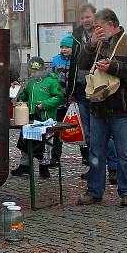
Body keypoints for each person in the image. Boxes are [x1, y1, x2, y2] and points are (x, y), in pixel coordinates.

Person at [76, 8, 127, 208]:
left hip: (122, 108)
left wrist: (113, 67)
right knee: (96, 152)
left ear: (112, 25)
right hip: (99, 107)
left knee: (125, 152)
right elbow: (81, 64)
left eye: (99, 27)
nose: (96, 30)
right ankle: (94, 191)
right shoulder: (98, 44)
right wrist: (90, 45)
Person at [70, 4, 118, 183]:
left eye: (88, 17)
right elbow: (74, 65)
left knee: (106, 131)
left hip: (99, 87)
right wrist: (72, 90)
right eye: (82, 18)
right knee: (89, 133)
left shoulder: (104, 33)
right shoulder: (76, 36)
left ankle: (113, 167)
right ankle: (95, 166)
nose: (85, 21)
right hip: (82, 88)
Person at [11, 57, 64, 178]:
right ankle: (25, 165)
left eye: (37, 71)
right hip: (30, 116)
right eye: (32, 71)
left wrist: (45, 104)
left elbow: (58, 97)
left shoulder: (51, 81)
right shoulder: (30, 82)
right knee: (25, 140)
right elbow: (25, 95)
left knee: (44, 143)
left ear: (43, 70)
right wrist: (20, 99)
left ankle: (43, 166)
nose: (34, 74)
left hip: (46, 117)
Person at [48, 35, 74, 166]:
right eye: (62, 47)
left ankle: (86, 156)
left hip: (73, 101)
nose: (64, 49)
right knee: (57, 130)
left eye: (67, 47)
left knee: (78, 127)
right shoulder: (56, 60)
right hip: (59, 101)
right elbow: (51, 76)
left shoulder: (77, 60)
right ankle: (55, 156)